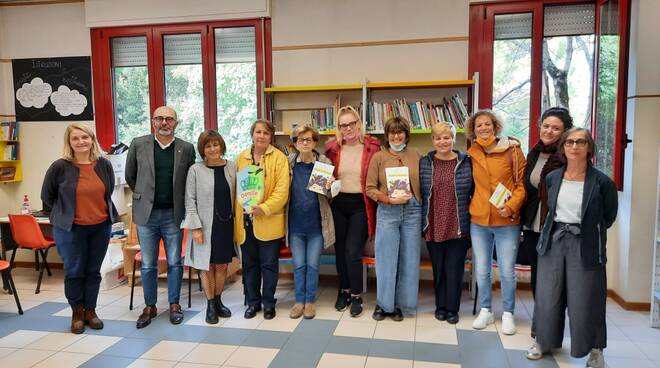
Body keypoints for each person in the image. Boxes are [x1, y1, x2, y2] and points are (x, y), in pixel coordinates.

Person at [526, 128, 617, 368]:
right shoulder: (553, 177)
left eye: (580, 142)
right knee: (547, 295)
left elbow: (608, 217)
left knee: (586, 299)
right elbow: (548, 208)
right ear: (563, 147)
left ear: (589, 147)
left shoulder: (602, 182)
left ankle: (595, 350)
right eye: (569, 142)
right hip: (554, 240)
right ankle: (543, 341)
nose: (574, 146)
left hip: (585, 244)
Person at [41, 123, 118, 334]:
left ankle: (90, 311)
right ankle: (77, 312)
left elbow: (108, 191)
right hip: (70, 229)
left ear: (92, 139)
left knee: (93, 272)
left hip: (100, 227)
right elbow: (47, 197)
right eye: (75, 138)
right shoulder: (60, 166)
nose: (81, 142)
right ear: (69, 142)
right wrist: (63, 216)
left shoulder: (103, 164)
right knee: (74, 271)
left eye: (85, 137)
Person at [125, 106, 196, 329]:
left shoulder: (186, 148)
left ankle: (174, 304)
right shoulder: (138, 144)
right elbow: (131, 176)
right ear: (153, 122)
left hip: (173, 215)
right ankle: (150, 306)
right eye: (160, 119)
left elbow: (189, 180)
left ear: (176, 122)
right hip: (146, 215)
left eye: (169, 119)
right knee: (148, 264)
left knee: (175, 262)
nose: (164, 122)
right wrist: (146, 197)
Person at [467, 110, 526, 335]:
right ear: (473, 130)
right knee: (481, 269)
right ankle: (486, 309)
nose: (483, 128)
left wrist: (511, 207)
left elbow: (521, 186)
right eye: (478, 125)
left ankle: (508, 313)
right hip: (479, 220)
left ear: (495, 126)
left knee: (506, 270)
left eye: (487, 124)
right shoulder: (471, 152)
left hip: (506, 220)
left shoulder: (512, 149)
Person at [325, 106, 381, 317]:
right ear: (338, 128)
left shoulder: (372, 147)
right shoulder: (332, 149)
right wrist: (327, 181)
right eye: (343, 125)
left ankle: (357, 295)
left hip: (361, 204)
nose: (348, 128)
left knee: (352, 251)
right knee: (340, 251)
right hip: (339, 203)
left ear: (358, 124)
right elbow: (323, 176)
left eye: (351, 123)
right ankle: (344, 290)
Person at [366, 116, 422, 321]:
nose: (396, 136)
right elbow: (370, 188)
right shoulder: (378, 157)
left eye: (400, 132)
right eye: (392, 132)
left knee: (409, 259)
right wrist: (387, 200)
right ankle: (384, 305)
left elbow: (424, 183)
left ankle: (403, 305)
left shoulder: (416, 154)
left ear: (406, 134)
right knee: (386, 260)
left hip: (413, 212)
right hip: (388, 212)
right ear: (387, 134)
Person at [234, 119, 290, 320]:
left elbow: (282, 192)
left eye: (266, 133)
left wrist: (263, 208)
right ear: (252, 134)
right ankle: (252, 303)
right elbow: (237, 191)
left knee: (269, 265)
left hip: (269, 221)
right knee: (249, 265)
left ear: (271, 136)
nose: (261, 136)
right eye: (258, 132)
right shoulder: (241, 158)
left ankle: (268, 303)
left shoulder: (279, 158)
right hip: (245, 222)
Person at [419, 122, 473, 324]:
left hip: (458, 222)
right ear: (433, 140)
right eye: (438, 138)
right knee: (438, 268)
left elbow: (475, 191)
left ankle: (453, 308)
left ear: (454, 139)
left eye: (447, 137)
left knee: (454, 268)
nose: (443, 141)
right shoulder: (425, 162)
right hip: (433, 223)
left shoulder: (466, 161)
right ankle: (440, 306)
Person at [181, 130, 236, 324]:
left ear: (221, 145)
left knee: (222, 265)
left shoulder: (232, 167)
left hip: (226, 225)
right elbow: (190, 200)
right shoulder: (195, 170)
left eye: (216, 144)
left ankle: (219, 301)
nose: (213, 149)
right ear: (202, 149)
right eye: (208, 145)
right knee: (206, 267)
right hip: (204, 227)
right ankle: (210, 305)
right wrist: (194, 228)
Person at [519, 107, 573, 299]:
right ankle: (540, 319)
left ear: (565, 131)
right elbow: (528, 187)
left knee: (555, 275)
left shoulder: (569, 156)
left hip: (557, 225)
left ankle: (553, 319)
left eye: (556, 128)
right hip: (533, 224)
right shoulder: (534, 153)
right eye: (546, 126)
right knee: (537, 272)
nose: (549, 131)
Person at [286, 125, 335, 320]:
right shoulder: (289, 163)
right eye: (300, 139)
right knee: (299, 265)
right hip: (295, 225)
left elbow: (329, 195)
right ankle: (299, 301)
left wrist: (331, 186)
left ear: (315, 142)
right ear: (295, 143)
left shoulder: (323, 162)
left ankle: (310, 302)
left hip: (316, 225)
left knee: (313, 265)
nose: (305, 143)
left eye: (309, 139)